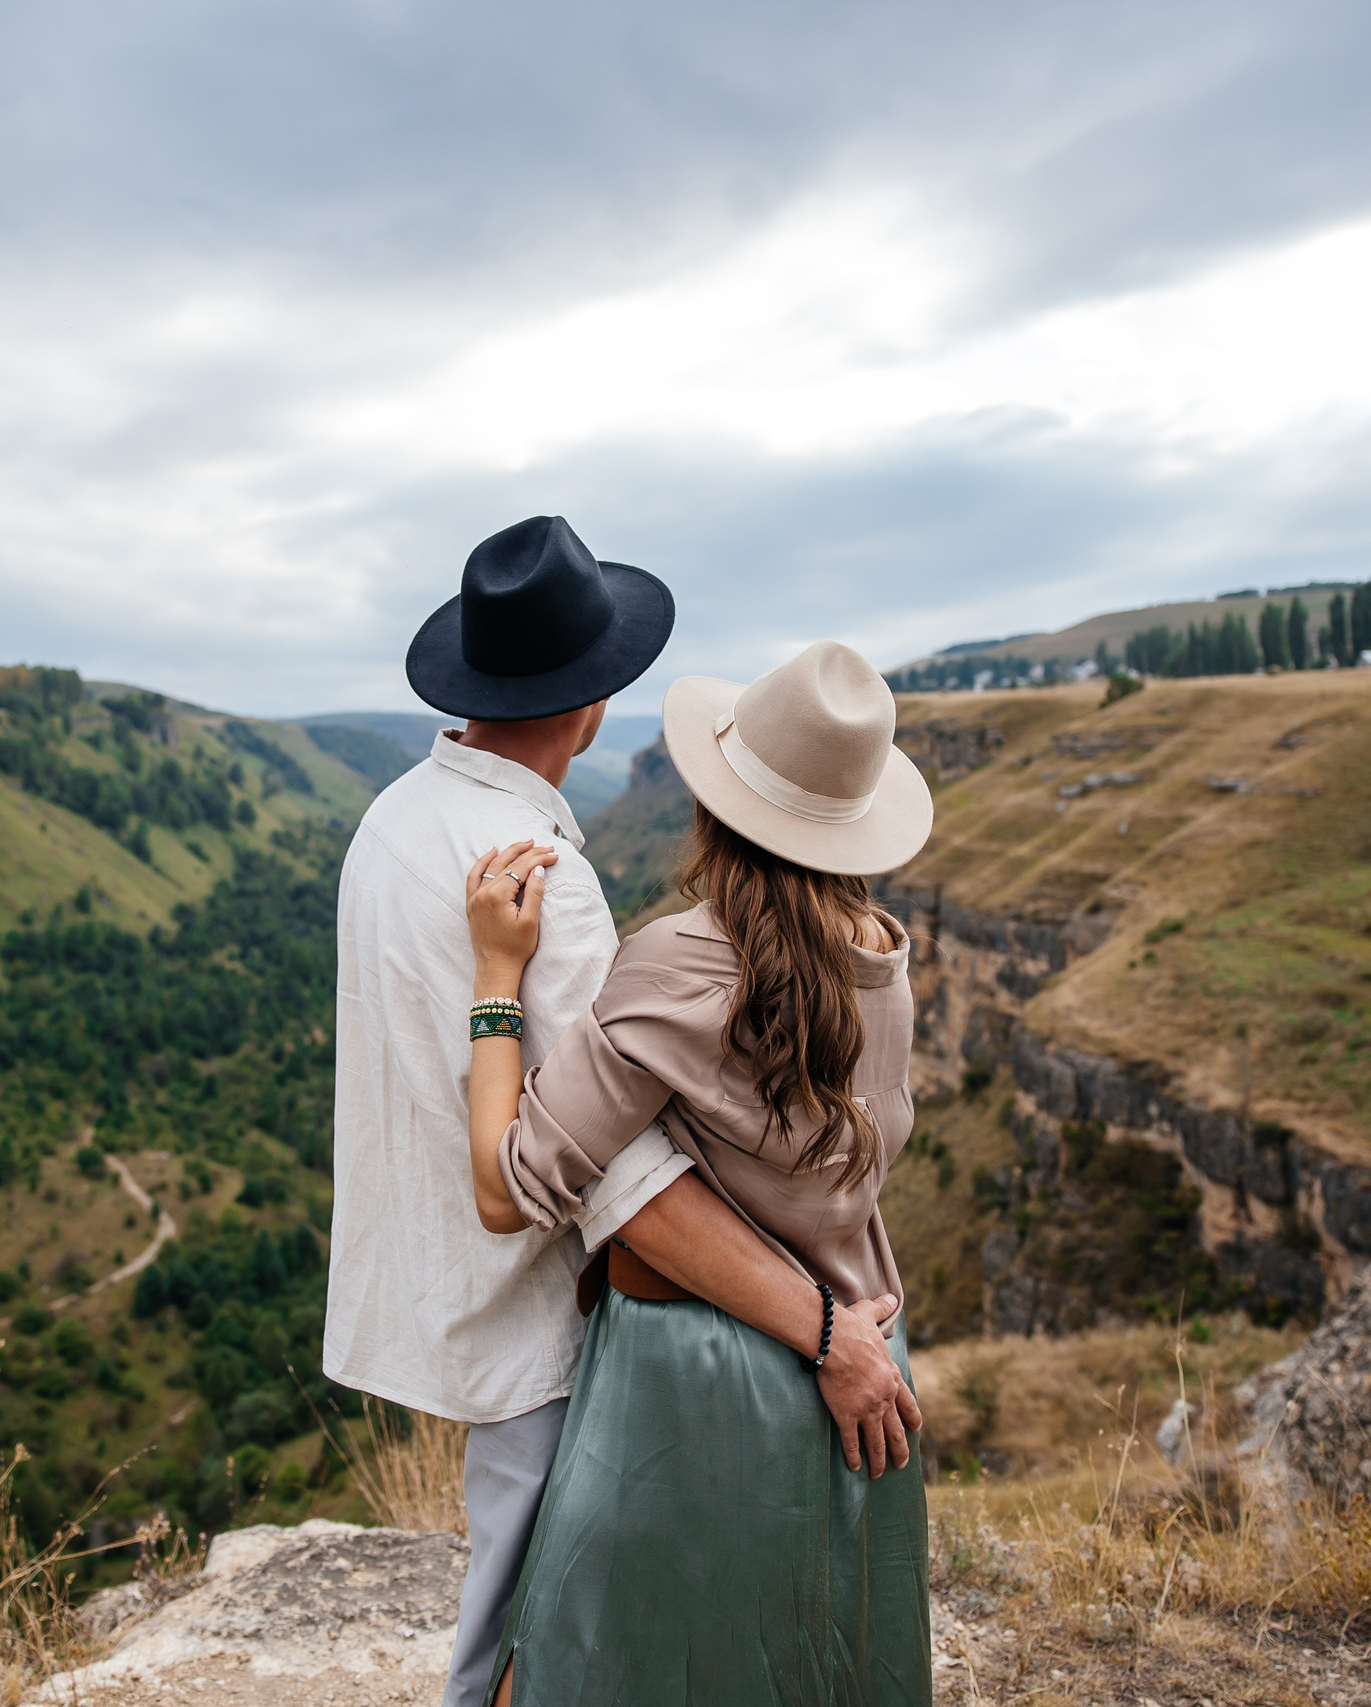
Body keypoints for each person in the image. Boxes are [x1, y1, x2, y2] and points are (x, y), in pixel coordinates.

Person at [323, 519, 922, 1707]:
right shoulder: (870, 959)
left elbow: (555, 1149)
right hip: (615, 1331)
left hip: (519, 1312)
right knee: (590, 1649)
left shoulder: (392, 817)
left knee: (540, 1646)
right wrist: (829, 1329)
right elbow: (627, 1176)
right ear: (594, 701)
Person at [462, 638, 937, 1706]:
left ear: (713, 808)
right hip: (864, 1362)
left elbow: (511, 1185)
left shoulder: (678, 964)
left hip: (698, 1379)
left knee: (594, 1666)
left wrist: (498, 980)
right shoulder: (884, 965)